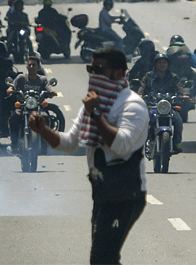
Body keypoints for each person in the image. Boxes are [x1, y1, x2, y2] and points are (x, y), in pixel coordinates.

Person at [29, 47, 149, 265]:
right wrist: (43, 130)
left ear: (119, 73)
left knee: (103, 258)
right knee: (104, 258)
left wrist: (96, 113)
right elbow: (69, 143)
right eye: (91, 69)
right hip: (103, 191)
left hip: (126, 194)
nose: (93, 74)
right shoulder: (92, 104)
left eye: (99, 69)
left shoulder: (132, 104)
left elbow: (122, 145)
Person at [137, 54, 187, 154]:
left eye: (164, 62)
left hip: (168, 106)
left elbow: (179, 87)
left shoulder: (173, 77)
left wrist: (183, 95)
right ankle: (144, 142)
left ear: (168, 64)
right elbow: (142, 87)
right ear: (155, 64)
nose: (162, 64)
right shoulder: (149, 76)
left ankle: (177, 143)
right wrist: (140, 95)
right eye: (160, 62)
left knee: (178, 121)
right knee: (145, 121)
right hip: (153, 105)